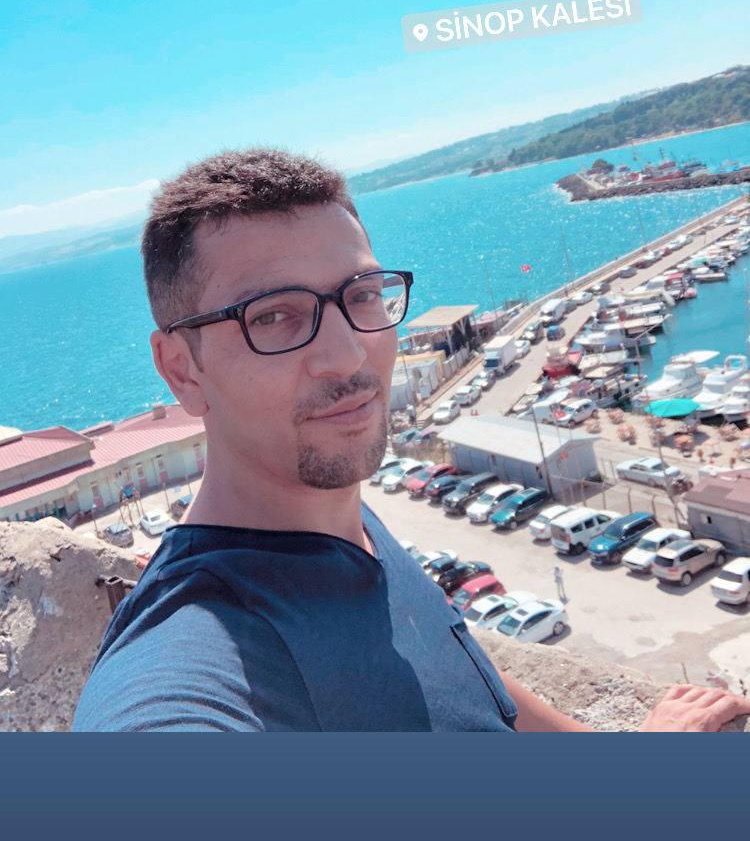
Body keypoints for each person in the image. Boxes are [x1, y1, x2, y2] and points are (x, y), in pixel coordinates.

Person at [73, 148, 750, 733]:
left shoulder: (348, 522)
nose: (347, 354)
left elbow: (459, 677)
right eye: (272, 316)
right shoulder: (193, 650)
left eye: (362, 294)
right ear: (181, 370)